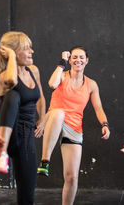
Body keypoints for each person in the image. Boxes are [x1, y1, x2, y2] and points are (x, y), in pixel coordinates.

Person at [37, 46, 110, 205]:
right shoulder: (62, 76)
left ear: (87, 60)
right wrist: (61, 62)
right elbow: (51, 84)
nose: (78, 60)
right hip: (54, 119)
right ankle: (45, 160)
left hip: (74, 127)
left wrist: (104, 124)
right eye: (74, 57)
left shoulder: (91, 84)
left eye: (81, 57)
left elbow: (98, 109)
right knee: (59, 113)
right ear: (69, 60)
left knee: (71, 177)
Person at [0, 31, 46, 205]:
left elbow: (40, 96)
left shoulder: (34, 70)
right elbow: (12, 80)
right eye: (26, 49)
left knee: (27, 194)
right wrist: (11, 56)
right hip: (8, 135)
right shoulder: (5, 76)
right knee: (14, 96)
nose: (32, 52)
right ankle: (1, 151)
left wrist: (42, 118)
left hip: (26, 138)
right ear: (12, 52)